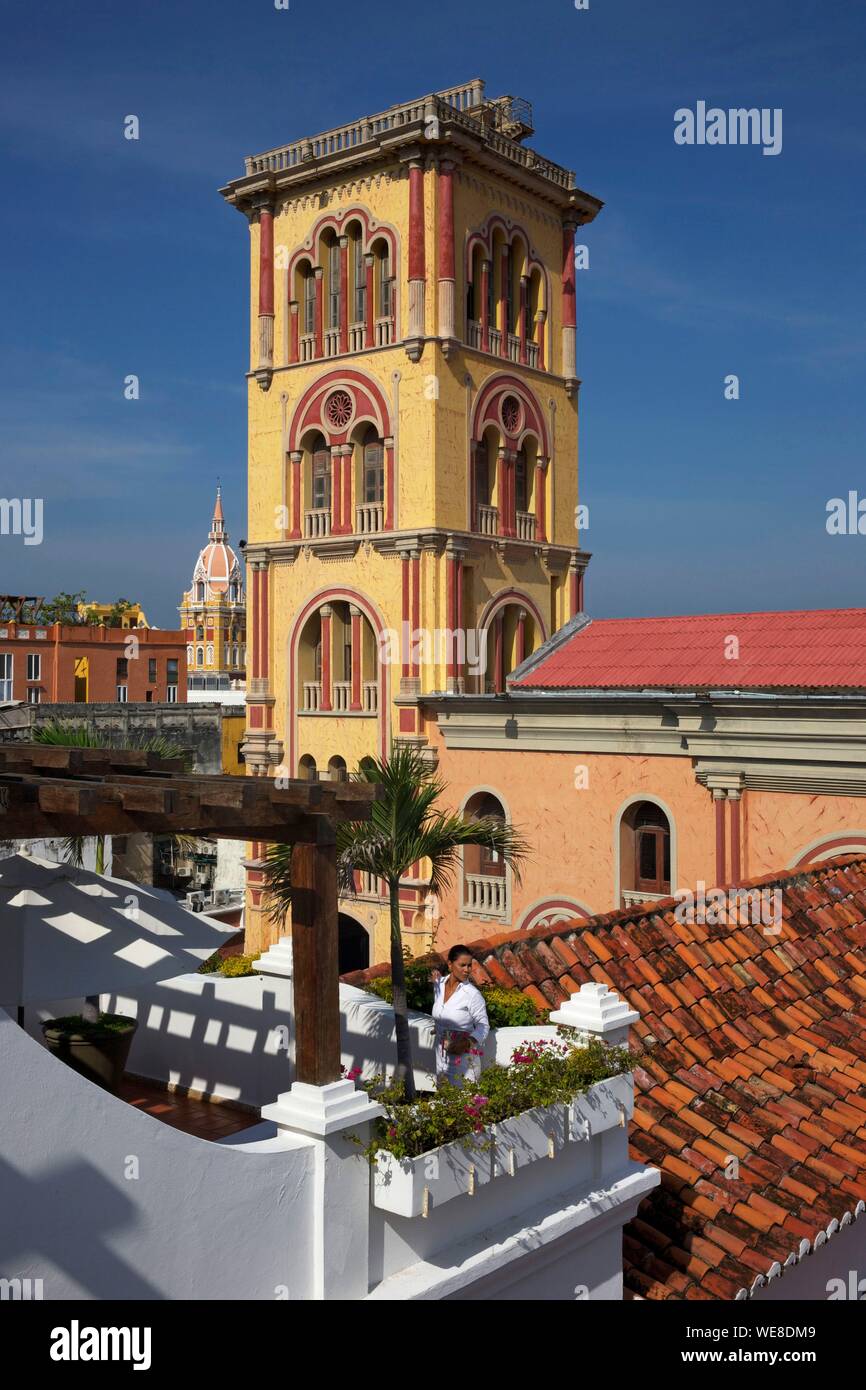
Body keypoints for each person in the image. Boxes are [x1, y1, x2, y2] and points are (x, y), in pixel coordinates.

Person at [430, 945, 490, 1087]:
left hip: (463, 1062)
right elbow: (441, 1011)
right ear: (450, 964)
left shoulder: (472, 994)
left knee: (463, 1104)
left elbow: (484, 1026)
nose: (467, 970)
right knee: (443, 1101)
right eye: (462, 965)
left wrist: (466, 1043)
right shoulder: (439, 984)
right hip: (440, 1057)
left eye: (469, 965)